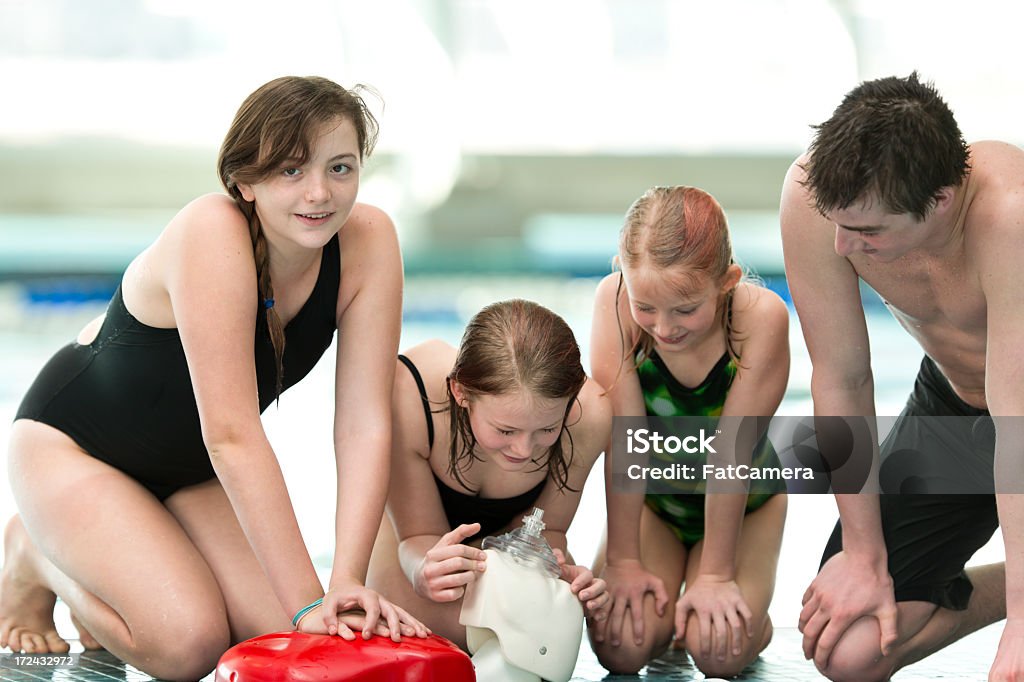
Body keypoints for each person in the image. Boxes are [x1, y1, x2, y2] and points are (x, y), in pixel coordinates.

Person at [0, 76, 427, 681]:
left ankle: (129, 547)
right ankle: (34, 554)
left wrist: (344, 585)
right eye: (290, 171)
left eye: (339, 168)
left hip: (190, 471)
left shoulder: (370, 241)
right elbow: (232, 434)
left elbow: (363, 423)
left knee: (274, 637)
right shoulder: (210, 232)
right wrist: (308, 602)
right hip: (75, 448)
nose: (319, 194)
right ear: (244, 182)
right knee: (188, 645)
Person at [781, 72, 1024, 681]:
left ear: (939, 202)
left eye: (867, 232)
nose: (841, 247)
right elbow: (841, 379)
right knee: (851, 650)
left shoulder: (1009, 217)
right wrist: (865, 555)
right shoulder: (819, 200)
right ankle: (996, 593)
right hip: (958, 404)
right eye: (836, 223)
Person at [588, 185, 790, 677]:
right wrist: (623, 561)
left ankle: (754, 621)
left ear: (727, 281)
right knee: (622, 645)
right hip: (658, 505)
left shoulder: (758, 318)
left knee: (719, 652)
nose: (664, 327)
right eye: (647, 307)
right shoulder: (614, 302)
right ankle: (674, 585)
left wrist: (717, 576)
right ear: (622, 270)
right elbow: (626, 437)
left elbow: (731, 456)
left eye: (684, 309)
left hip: (746, 506)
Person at [366, 299, 611, 650]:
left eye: (546, 429)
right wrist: (423, 570)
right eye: (506, 430)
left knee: (541, 640)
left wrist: (559, 579)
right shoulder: (410, 392)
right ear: (460, 392)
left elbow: (548, 531)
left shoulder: (590, 414)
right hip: (409, 541)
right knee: (415, 639)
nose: (524, 450)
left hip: (508, 549)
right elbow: (417, 534)